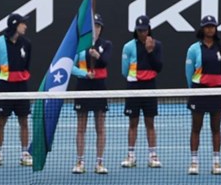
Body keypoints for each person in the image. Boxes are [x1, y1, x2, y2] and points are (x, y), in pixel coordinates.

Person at [183, 14, 221, 175]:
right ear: (202, 29)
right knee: (196, 127)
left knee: (216, 128)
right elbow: (189, 72)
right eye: (207, 26)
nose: (210, 29)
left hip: (217, 91)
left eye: (212, 26)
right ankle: (194, 162)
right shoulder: (194, 49)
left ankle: (216, 163)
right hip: (199, 91)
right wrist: (193, 90)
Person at [0, 13, 34, 169]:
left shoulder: (26, 43)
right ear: (15, 24)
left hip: (21, 87)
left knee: (24, 121)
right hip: (4, 87)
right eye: (23, 23)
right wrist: (0, 85)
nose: (25, 26)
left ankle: (24, 154)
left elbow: (27, 65)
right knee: (1, 122)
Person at [70, 13, 111, 174]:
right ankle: (80, 161)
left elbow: (106, 61)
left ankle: (99, 162)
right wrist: (84, 74)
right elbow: (70, 67)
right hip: (83, 86)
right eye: (94, 26)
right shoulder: (79, 46)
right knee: (81, 127)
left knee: (100, 127)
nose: (96, 29)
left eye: (99, 26)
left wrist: (97, 56)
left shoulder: (106, 44)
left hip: (99, 88)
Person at [121, 15, 163, 169]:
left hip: (150, 87)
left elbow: (158, 67)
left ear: (149, 29)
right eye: (139, 30)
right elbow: (124, 70)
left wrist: (150, 51)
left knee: (150, 122)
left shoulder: (157, 45)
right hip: (133, 87)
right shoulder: (128, 47)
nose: (142, 33)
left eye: (144, 30)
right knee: (133, 122)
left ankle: (153, 156)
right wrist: (134, 79)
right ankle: (131, 156)